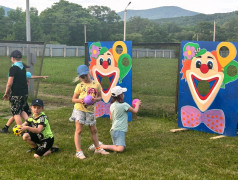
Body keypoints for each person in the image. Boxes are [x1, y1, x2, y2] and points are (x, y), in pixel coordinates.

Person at [69, 64, 109, 159]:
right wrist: (81, 100)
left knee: (94, 130)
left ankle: (98, 148)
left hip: (90, 111)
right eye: (82, 77)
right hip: (79, 109)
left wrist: (95, 99)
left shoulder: (96, 84)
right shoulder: (79, 86)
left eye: (85, 76)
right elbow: (73, 99)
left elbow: (100, 97)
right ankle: (78, 151)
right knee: (79, 130)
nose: (84, 78)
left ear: (89, 72)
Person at [89, 86, 141, 153]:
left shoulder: (112, 105)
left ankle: (99, 146)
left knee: (118, 146)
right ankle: (99, 146)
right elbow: (135, 111)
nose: (123, 95)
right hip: (119, 130)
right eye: (123, 93)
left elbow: (111, 118)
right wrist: (137, 104)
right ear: (120, 96)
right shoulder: (124, 105)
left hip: (114, 130)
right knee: (120, 149)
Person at [3, 50, 29, 127]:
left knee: (16, 113)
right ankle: (31, 124)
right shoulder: (23, 68)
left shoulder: (13, 68)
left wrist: (6, 93)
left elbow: (9, 83)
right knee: (22, 111)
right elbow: (26, 80)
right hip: (24, 93)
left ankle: (21, 130)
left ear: (12, 58)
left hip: (16, 94)